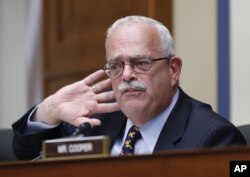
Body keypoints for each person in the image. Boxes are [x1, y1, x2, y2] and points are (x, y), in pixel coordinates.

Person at [12, 15, 246, 160]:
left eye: (141, 63)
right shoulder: (93, 124)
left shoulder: (212, 138)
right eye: (115, 65)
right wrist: (49, 108)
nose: (126, 75)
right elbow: (24, 152)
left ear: (173, 70)